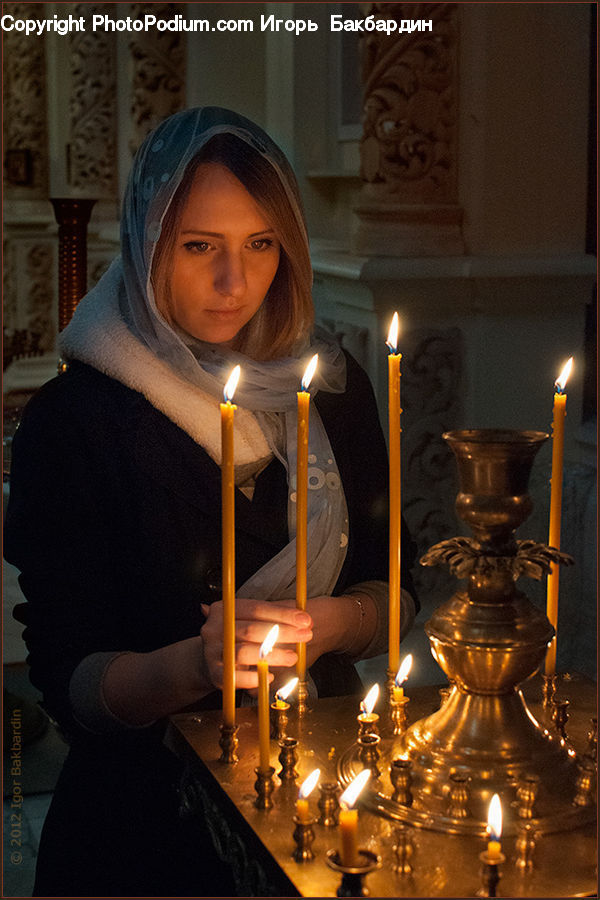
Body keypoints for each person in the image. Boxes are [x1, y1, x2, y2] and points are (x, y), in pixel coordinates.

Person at [4, 106, 418, 897]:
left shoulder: (329, 388)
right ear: (147, 242)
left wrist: (327, 625)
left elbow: (394, 592)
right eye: (200, 247)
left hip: (320, 791)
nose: (236, 283)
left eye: (261, 245)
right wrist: (194, 665)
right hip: (144, 830)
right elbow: (70, 685)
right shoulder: (77, 422)